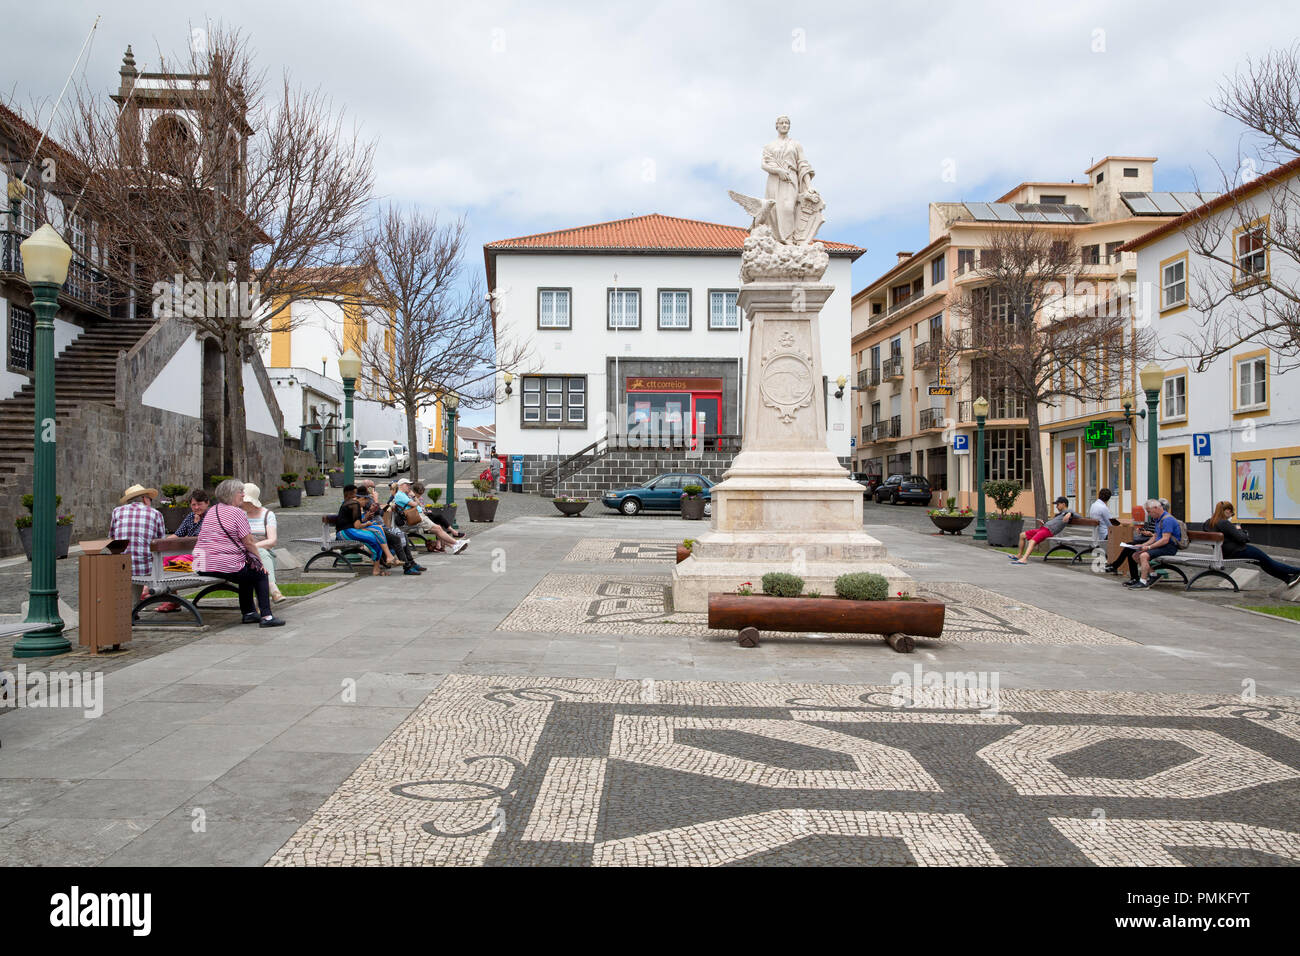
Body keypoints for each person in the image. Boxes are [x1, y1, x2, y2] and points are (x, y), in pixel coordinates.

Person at [194, 479, 284, 626]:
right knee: (260, 573)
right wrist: (259, 562)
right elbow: (248, 542)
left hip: (202, 565)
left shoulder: (212, 510)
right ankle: (267, 617)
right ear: (231, 494)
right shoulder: (237, 513)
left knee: (246, 572)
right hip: (224, 565)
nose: (243, 495)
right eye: (240, 492)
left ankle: (249, 613)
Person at [1204, 500, 1300, 588]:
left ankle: (1288, 579)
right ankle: (1297, 571)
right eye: (1232, 513)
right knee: (1269, 562)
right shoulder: (1224, 523)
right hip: (1239, 551)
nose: (1231, 516)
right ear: (1227, 510)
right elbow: (1243, 539)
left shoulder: (1207, 523)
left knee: (1263, 563)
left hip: (1224, 554)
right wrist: (1240, 530)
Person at [110, 483, 166, 601]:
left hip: (121, 566)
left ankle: (131, 607)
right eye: (150, 499)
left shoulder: (117, 511)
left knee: (128, 560)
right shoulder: (155, 514)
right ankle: (135, 606)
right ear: (144, 499)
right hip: (145, 568)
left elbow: (112, 537)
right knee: (150, 560)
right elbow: (161, 543)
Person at [336, 484, 400, 575]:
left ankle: (386, 559)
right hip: (344, 532)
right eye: (366, 501)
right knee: (373, 538)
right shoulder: (355, 504)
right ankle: (380, 564)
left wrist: (365, 519)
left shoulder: (351, 503)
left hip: (349, 530)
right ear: (362, 498)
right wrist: (367, 523)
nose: (366, 503)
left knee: (378, 529)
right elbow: (357, 525)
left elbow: (353, 522)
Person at [1120, 498, 1181, 589]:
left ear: (1156, 508)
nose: (1149, 514)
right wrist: (1143, 545)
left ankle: (1143, 582)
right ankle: (1153, 575)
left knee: (1143, 556)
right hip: (1162, 545)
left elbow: (1165, 540)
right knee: (1135, 555)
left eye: (1149, 511)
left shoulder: (1167, 520)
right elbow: (1155, 537)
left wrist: (1149, 547)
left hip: (1169, 547)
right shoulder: (1159, 519)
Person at [397, 478, 467, 554]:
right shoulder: (400, 495)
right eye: (407, 485)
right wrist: (413, 497)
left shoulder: (404, 495)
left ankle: (454, 545)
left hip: (418, 516)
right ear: (401, 485)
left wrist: (414, 497)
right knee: (438, 528)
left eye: (409, 485)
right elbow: (415, 504)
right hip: (416, 517)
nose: (409, 486)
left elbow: (419, 504)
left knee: (438, 528)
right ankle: (456, 543)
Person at [241, 483, 283, 602]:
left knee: (260, 552)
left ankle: (261, 603)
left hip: (266, 555)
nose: (242, 504)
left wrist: (253, 546)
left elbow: (272, 541)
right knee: (258, 555)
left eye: (245, 501)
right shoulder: (241, 515)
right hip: (244, 555)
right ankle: (273, 589)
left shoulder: (267, 515)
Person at [1011, 497, 1075, 564]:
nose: (1056, 507)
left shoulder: (1068, 511)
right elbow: (1055, 523)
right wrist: (1044, 523)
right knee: (1022, 535)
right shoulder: (1060, 514)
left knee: (1032, 541)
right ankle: (1019, 555)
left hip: (1048, 531)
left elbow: (1074, 514)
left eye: (1057, 504)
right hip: (1043, 528)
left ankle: (1024, 559)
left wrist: (1070, 513)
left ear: (1063, 504)